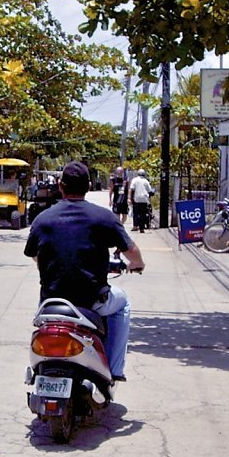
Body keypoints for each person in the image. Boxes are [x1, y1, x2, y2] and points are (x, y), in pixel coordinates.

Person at [23, 161, 145, 382]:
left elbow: (35, 255)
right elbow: (132, 251)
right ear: (88, 186)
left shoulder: (42, 219)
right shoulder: (104, 217)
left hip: (51, 302)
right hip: (91, 301)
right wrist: (137, 265)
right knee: (122, 303)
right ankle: (114, 369)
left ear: (61, 185)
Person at [129, 169, 154, 233]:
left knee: (136, 213)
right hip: (144, 199)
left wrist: (130, 198)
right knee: (143, 214)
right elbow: (149, 190)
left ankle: (135, 226)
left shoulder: (134, 180)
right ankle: (141, 228)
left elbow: (131, 190)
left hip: (136, 199)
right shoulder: (146, 181)